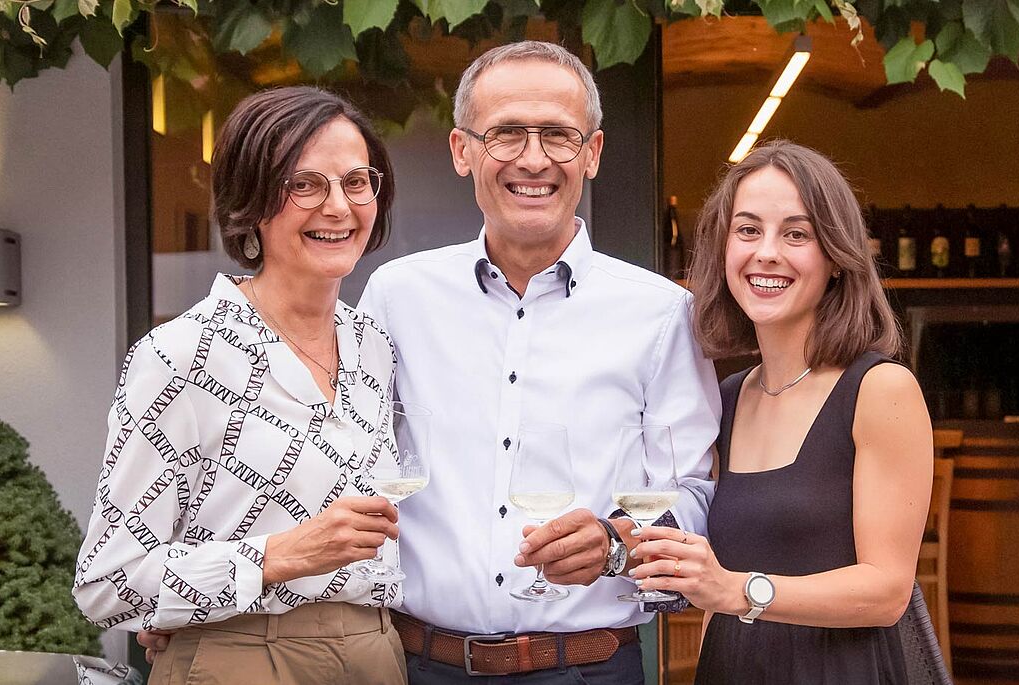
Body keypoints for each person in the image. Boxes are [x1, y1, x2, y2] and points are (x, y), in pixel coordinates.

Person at [358, 41, 721, 683]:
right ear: (462, 150)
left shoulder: (664, 313)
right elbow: (344, 466)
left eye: (558, 134)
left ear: (593, 153)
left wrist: (615, 543)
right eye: (506, 134)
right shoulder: (396, 297)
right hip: (420, 666)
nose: (534, 159)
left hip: (588, 669)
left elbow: (693, 495)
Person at [74, 86, 408, 685]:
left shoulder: (374, 348)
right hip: (242, 660)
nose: (338, 206)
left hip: (377, 652)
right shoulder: (181, 356)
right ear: (250, 200)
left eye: (357, 182)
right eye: (304, 185)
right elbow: (108, 583)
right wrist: (281, 556)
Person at [632, 140, 933, 683]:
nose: (766, 252)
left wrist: (738, 590)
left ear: (837, 259)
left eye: (796, 234)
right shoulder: (724, 398)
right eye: (748, 230)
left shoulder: (880, 390)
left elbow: (887, 592)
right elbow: (716, 590)